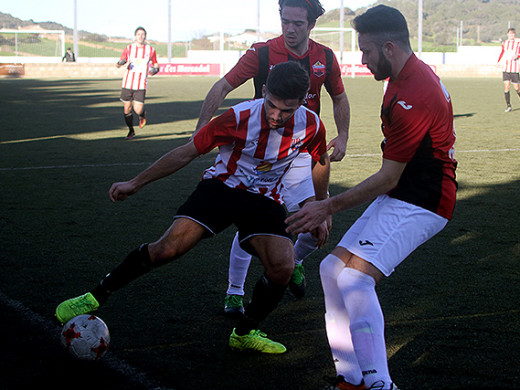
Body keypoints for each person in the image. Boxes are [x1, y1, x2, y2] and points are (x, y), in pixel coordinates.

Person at [55, 61, 331, 354]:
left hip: (264, 199)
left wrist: (321, 206)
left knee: (282, 267)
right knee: (167, 250)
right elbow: (186, 153)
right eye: (271, 105)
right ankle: (95, 295)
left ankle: (244, 332)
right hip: (221, 189)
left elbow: (320, 161)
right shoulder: (236, 118)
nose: (276, 115)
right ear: (263, 90)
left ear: (302, 102)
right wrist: (135, 183)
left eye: (286, 110)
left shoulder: (312, 124)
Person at [285, 5, 457, 390]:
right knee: (331, 271)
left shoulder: (415, 92)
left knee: (355, 282)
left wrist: (325, 205)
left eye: (366, 51)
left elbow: (387, 177)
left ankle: (380, 385)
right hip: (404, 193)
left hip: (424, 200)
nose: (361, 59)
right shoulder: (402, 76)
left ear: (390, 47)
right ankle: (350, 380)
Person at [194, 0, 350, 316]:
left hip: (302, 152)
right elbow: (223, 86)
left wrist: (343, 134)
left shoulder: (325, 58)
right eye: (285, 22)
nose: (290, 29)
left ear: (311, 25)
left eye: (298, 24)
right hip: (257, 155)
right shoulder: (262, 53)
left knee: (317, 222)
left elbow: (340, 97)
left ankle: (295, 262)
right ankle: (234, 293)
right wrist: (200, 130)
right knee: (250, 222)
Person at [117, 26, 159, 140]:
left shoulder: (150, 50)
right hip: (127, 83)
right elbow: (118, 64)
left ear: (145, 36)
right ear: (135, 36)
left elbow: (156, 64)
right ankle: (131, 131)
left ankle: (142, 114)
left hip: (141, 83)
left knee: (138, 109)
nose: (141, 36)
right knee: (127, 109)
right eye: (138, 34)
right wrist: (120, 62)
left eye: (143, 34)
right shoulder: (129, 48)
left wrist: (156, 70)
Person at [497, 27, 520, 112]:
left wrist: (517, 56)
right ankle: (509, 106)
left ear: (515, 34)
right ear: (507, 34)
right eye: (510, 33)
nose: (511, 35)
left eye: (513, 33)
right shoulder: (505, 43)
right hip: (506, 68)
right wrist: (498, 62)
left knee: (517, 88)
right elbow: (502, 52)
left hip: (514, 69)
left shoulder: (518, 43)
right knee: (506, 86)